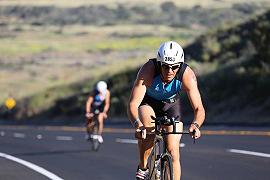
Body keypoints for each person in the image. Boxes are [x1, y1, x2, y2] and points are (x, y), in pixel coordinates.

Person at [127, 41, 205, 180]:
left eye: (174, 67)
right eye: (165, 66)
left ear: (180, 65)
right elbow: (133, 104)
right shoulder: (148, 70)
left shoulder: (187, 75)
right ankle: (143, 166)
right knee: (148, 132)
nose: (170, 71)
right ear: (159, 63)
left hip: (171, 106)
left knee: (173, 151)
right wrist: (138, 125)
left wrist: (196, 125)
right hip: (148, 103)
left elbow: (199, 108)